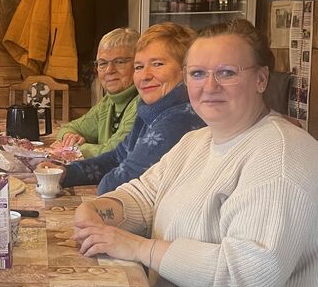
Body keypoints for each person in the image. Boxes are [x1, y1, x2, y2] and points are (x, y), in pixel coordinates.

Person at [71, 19, 318, 287]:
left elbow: (246, 279)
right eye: (198, 73)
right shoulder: (199, 140)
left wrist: (137, 247)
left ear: (260, 79)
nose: (209, 86)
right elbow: (143, 193)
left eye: (226, 73)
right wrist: (100, 209)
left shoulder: (281, 156)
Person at [40, 23, 204, 194]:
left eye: (157, 64)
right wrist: (65, 173)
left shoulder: (179, 118)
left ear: (187, 71)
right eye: (139, 67)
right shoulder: (150, 110)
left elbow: (123, 179)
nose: (145, 75)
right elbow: (117, 156)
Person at [55, 27, 141, 158]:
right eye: (102, 63)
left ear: (138, 63)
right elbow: (68, 128)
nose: (109, 70)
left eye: (119, 62)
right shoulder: (108, 101)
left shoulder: (142, 103)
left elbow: (114, 152)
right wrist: (69, 137)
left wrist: (72, 148)